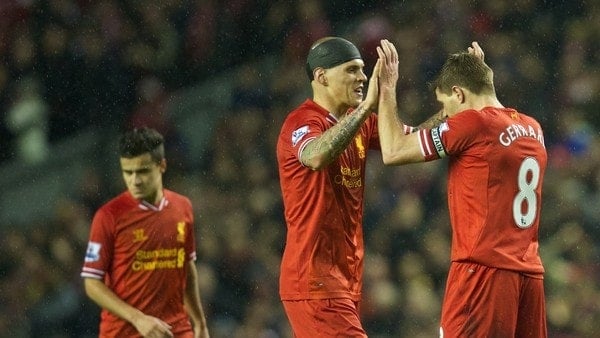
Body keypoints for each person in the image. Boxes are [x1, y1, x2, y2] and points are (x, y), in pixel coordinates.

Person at [376, 39, 547, 337]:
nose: (446, 115)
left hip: (482, 271)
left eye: (445, 106)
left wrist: (387, 88)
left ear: (458, 93)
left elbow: (392, 150)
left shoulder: (473, 124)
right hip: (528, 274)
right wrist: (475, 72)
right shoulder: (533, 128)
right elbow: (492, 119)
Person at [275, 36, 443, 337]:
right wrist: (367, 107)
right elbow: (315, 156)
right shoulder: (301, 122)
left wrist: (457, 110)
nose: (363, 77)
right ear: (321, 76)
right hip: (314, 279)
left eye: (363, 69)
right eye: (352, 70)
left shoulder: (359, 122)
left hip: (344, 278)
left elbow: (412, 139)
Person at [81, 127, 210, 338]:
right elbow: (92, 283)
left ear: (162, 166)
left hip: (175, 330)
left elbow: (187, 266)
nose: (135, 181)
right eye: (128, 172)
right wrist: (138, 318)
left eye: (142, 171)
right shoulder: (108, 216)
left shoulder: (182, 207)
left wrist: (200, 323)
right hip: (125, 332)